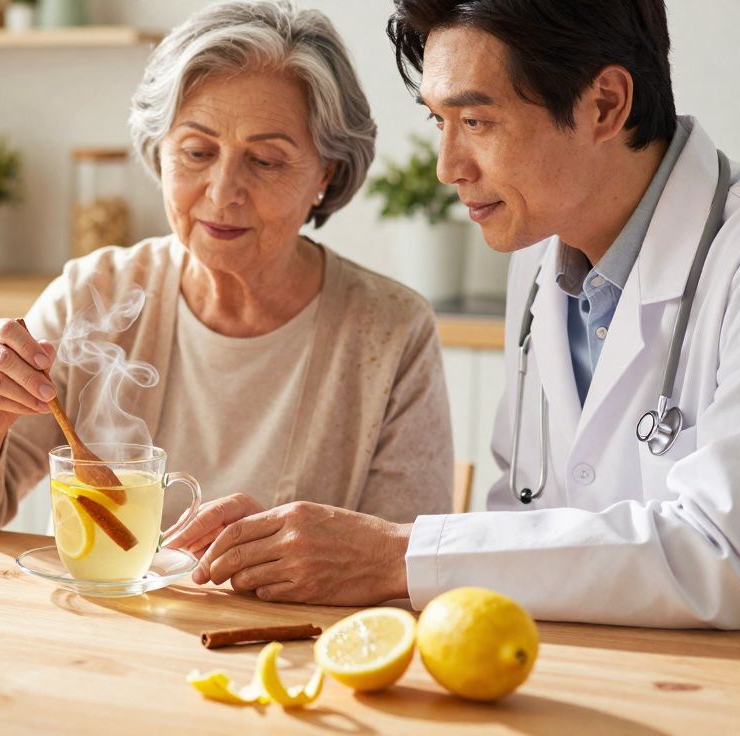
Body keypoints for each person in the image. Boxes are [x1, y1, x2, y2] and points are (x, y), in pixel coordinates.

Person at [181, 0, 740, 628]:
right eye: (439, 121)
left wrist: (397, 555)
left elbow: (723, 554)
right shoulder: (539, 259)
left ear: (605, 104)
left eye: (476, 120)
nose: (449, 167)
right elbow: (523, 527)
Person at [0, 0, 453, 580]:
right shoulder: (95, 292)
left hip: (285, 655)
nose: (222, 192)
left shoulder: (391, 330)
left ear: (327, 173)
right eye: (196, 152)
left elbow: (408, 570)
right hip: (101, 638)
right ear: (158, 152)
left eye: (266, 160)